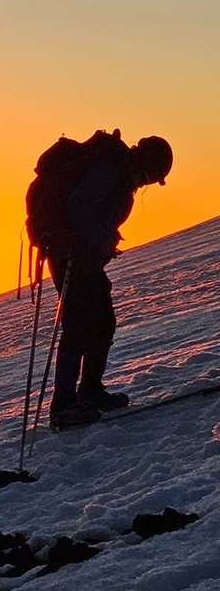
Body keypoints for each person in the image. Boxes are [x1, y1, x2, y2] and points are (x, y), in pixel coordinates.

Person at [41, 133, 173, 429]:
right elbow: (79, 205)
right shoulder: (111, 167)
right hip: (70, 254)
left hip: (78, 255)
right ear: (149, 165)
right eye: (153, 176)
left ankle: (88, 392)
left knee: (101, 321)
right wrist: (101, 236)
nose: (148, 183)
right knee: (78, 325)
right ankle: (63, 406)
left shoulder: (120, 170)